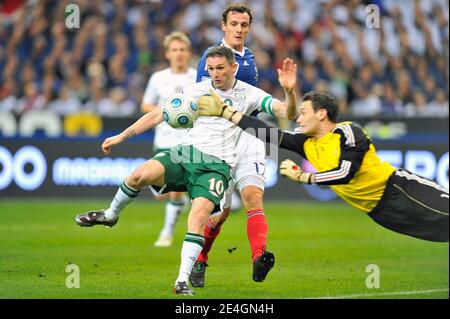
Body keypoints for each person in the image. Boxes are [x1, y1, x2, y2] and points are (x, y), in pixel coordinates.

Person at [75, 46, 299, 295]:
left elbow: (288, 113)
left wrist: (289, 91)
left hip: (217, 166)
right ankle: (110, 215)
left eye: (220, 68)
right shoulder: (197, 90)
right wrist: (121, 136)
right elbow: (158, 114)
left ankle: (181, 281)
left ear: (234, 68)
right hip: (186, 153)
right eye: (211, 69)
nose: (215, 74)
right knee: (138, 175)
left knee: (199, 215)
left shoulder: (250, 94)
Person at [199, 90, 449, 243]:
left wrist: (304, 178)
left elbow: (345, 173)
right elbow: (269, 134)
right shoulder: (306, 143)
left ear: (322, 114)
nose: (298, 117)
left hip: (400, 189)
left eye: (304, 111)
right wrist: (225, 112)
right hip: (381, 213)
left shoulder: (348, 132)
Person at [189, 3, 297, 288]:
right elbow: (205, 103)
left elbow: (256, 102)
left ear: (249, 27)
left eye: (244, 25)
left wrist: (286, 95)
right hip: (220, 141)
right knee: (220, 213)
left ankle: (259, 258)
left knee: (253, 197)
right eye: (234, 24)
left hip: (248, 138)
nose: (239, 29)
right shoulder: (211, 60)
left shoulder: (247, 57)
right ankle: (200, 259)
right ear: (223, 26)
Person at [141, 31, 197, 247]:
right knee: (161, 195)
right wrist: (167, 112)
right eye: (174, 50)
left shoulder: (197, 77)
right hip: (163, 141)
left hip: (188, 142)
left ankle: (166, 233)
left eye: (182, 49)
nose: (179, 54)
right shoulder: (158, 78)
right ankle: (181, 199)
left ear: (188, 52)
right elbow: (145, 105)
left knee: (174, 192)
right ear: (167, 54)